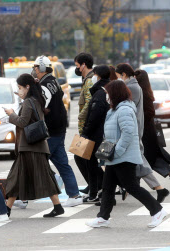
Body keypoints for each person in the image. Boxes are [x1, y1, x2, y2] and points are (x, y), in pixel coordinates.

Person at [86, 80, 167, 228]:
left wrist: (117, 151)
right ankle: (103, 217)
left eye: (108, 94)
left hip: (124, 157)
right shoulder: (114, 110)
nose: (106, 96)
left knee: (131, 187)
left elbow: (128, 133)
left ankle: (157, 210)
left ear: (115, 94)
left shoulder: (124, 110)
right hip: (114, 156)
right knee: (108, 187)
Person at [4, 74, 63, 218]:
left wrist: (11, 114)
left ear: (27, 87)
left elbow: (23, 122)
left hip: (30, 147)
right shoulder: (35, 100)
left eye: (20, 88)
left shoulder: (29, 102)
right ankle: (57, 206)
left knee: (17, 177)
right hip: (35, 147)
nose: (19, 90)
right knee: (40, 176)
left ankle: (6, 209)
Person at [32, 55, 82, 207]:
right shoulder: (52, 81)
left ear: (41, 68)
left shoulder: (44, 86)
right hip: (59, 129)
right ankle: (74, 194)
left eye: (35, 67)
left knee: (36, 162)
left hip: (50, 130)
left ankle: (23, 197)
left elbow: (41, 106)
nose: (34, 70)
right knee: (62, 163)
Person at [115, 63, 169, 203]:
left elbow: (120, 104)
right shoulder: (134, 86)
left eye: (118, 76)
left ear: (124, 75)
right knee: (136, 160)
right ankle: (155, 188)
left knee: (137, 160)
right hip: (134, 128)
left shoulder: (132, 87)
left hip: (132, 129)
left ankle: (157, 188)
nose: (118, 79)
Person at [135, 69, 170, 191]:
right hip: (147, 130)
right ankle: (132, 185)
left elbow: (150, 112)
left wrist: (139, 118)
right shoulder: (145, 91)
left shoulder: (142, 93)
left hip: (146, 131)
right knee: (147, 156)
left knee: (145, 157)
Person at [81, 65, 111, 202]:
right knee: (101, 164)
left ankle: (97, 193)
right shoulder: (108, 89)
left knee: (92, 164)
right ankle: (99, 193)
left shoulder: (100, 93)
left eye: (94, 74)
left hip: (96, 135)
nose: (93, 77)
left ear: (98, 76)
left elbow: (94, 116)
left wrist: (85, 131)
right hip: (103, 134)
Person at [73, 53, 96, 195]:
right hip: (85, 126)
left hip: (87, 126)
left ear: (84, 65)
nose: (77, 69)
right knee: (85, 158)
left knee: (81, 157)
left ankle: (95, 186)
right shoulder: (86, 79)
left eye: (77, 66)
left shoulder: (89, 80)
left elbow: (89, 103)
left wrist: (80, 117)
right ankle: (93, 185)